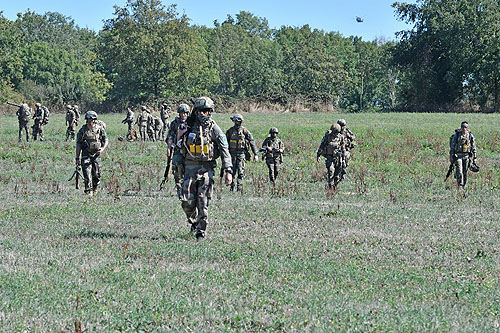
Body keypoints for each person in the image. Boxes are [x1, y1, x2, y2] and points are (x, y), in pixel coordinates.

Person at [179, 97, 232, 241]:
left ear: (210, 112)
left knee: (203, 202)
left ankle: (200, 232)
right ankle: (194, 222)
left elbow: (224, 148)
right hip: (190, 169)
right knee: (186, 201)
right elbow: (178, 147)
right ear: (195, 112)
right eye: (200, 111)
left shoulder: (214, 128)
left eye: (206, 111)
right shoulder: (188, 126)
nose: (203, 114)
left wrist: (228, 170)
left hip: (206, 169)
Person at [75, 111, 108, 196]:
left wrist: (102, 149)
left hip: (96, 155)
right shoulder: (83, 130)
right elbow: (78, 144)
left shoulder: (99, 129)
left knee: (96, 174)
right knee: (86, 173)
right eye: (88, 119)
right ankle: (88, 191)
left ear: (94, 119)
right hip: (86, 154)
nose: (90, 121)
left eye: (92, 119)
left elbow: (106, 140)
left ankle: (95, 187)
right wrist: (77, 158)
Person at [225, 113, 258, 192]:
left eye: (237, 121)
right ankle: (232, 188)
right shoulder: (230, 131)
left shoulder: (245, 131)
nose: (236, 123)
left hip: (241, 154)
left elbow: (252, 142)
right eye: (235, 121)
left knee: (241, 172)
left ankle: (239, 189)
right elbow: (225, 144)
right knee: (232, 171)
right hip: (232, 154)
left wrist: (255, 154)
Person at [166, 103, 190, 197]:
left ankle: (188, 189)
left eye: (185, 113)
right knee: (176, 168)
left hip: (189, 151)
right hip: (178, 149)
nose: (183, 115)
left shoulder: (191, 122)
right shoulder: (175, 123)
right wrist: (169, 147)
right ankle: (179, 189)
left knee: (189, 170)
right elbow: (170, 136)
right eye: (181, 113)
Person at [317, 123, 346, 190]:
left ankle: (335, 187)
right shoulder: (328, 137)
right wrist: (318, 155)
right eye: (334, 132)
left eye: (336, 133)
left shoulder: (340, 137)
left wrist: (344, 159)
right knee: (331, 171)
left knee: (337, 175)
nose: (335, 134)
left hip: (338, 158)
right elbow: (322, 145)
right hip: (329, 157)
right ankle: (330, 187)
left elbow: (343, 148)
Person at [449, 121, 477, 189]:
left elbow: (474, 147)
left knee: (465, 171)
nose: (464, 129)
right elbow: (452, 146)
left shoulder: (470, 136)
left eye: (465, 127)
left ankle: (464, 185)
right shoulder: (457, 135)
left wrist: (475, 157)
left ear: (467, 128)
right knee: (459, 170)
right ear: (461, 127)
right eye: (463, 127)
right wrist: (451, 156)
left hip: (466, 156)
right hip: (458, 156)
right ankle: (459, 184)